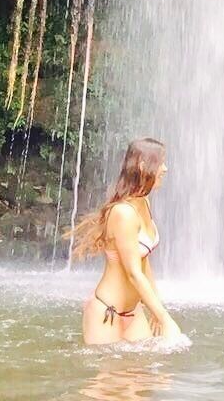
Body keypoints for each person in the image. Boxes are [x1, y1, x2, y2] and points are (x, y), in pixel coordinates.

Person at [69, 136, 184, 346]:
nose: (165, 169)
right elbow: (133, 273)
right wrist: (165, 319)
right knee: (110, 376)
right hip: (106, 312)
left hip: (133, 312)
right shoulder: (123, 213)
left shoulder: (143, 204)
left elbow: (144, 260)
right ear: (142, 166)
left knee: (153, 377)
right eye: (160, 162)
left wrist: (156, 309)